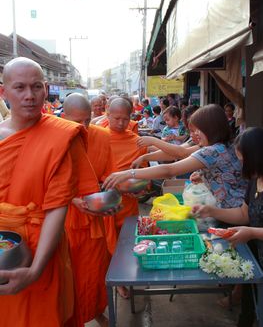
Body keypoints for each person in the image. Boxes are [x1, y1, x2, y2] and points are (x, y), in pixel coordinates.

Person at [0, 57, 98, 327]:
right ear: (4, 91)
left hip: (43, 248)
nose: (30, 96)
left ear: (46, 89)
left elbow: (57, 207)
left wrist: (35, 270)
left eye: (37, 87)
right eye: (19, 87)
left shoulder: (61, 136)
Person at [103, 104, 247, 209]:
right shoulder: (225, 145)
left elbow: (170, 169)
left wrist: (129, 173)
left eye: (198, 130)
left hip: (233, 210)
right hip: (238, 208)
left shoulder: (212, 150)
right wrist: (145, 158)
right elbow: (174, 153)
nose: (194, 135)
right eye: (192, 130)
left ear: (211, 129)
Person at [191, 127, 263, 327]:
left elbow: (249, 224)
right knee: (252, 302)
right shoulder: (254, 181)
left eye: (242, 158)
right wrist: (211, 211)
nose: (239, 162)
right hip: (257, 255)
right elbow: (243, 214)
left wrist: (251, 232)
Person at [63, 93, 114, 327]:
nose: (83, 126)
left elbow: (108, 174)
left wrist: (110, 192)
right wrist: (74, 200)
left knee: (94, 273)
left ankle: (95, 311)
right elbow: (45, 182)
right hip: (65, 221)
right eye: (77, 121)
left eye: (87, 120)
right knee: (69, 277)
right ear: (64, 117)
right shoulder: (55, 137)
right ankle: (73, 319)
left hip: (94, 218)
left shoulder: (102, 137)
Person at [106, 97, 148, 298]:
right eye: (116, 118)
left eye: (125, 119)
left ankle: (125, 279)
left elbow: (145, 175)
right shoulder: (97, 137)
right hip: (105, 203)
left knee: (127, 243)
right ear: (107, 114)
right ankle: (116, 280)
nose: (121, 123)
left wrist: (141, 190)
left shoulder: (136, 141)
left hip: (128, 204)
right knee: (107, 245)